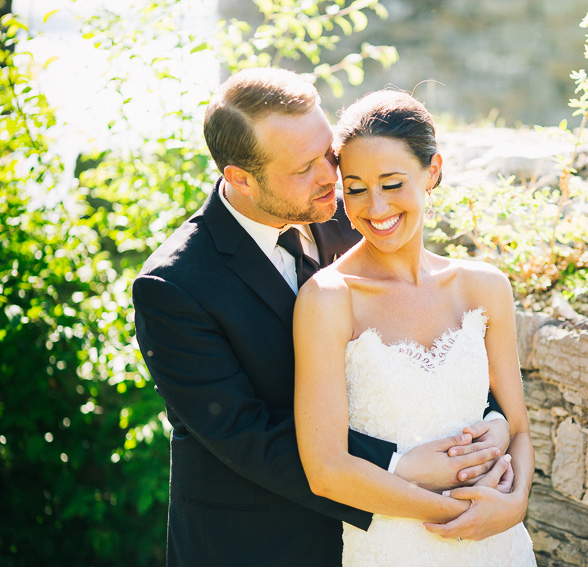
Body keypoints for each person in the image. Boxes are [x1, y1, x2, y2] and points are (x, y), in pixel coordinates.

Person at [132, 68, 514, 567]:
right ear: (241, 179)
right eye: (304, 166)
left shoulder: (356, 205)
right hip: (258, 541)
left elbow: (425, 322)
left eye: (327, 152)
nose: (331, 176)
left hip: (385, 538)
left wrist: (493, 424)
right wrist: (399, 464)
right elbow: (247, 434)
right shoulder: (175, 286)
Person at [293, 89, 537, 566]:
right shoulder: (328, 299)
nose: (375, 207)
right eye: (357, 187)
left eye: (392, 183)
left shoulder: (484, 287)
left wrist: (514, 506)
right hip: (393, 547)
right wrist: (457, 511)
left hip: (498, 546)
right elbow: (326, 471)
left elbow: (520, 429)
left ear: (433, 172)